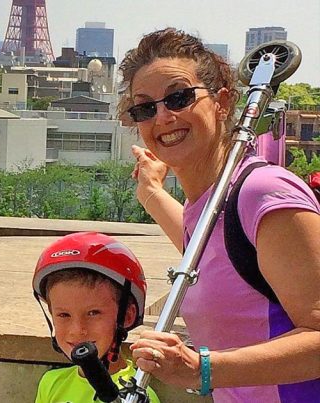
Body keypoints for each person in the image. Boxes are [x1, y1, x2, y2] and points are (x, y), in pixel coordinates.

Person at [123, 28, 320, 402]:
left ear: (222, 102)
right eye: (145, 108)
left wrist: (201, 368)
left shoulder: (264, 192)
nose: (163, 116)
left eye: (179, 98)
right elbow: (213, 258)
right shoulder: (206, 205)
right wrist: (151, 193)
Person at [32, 232, 160, 403]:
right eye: (64, 315)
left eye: (93, 313)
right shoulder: (51, 383)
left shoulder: (138, 395)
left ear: (126, 316)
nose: (77, 330)